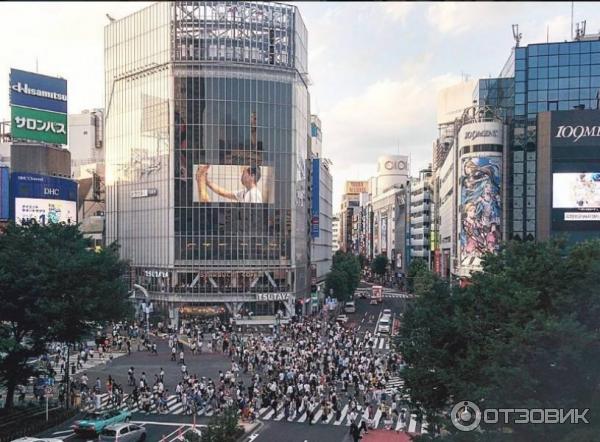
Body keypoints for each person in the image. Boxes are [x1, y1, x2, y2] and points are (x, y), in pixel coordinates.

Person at [196, 164, 264, 203]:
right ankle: (200, 180)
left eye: (244, 172)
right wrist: (207, 182)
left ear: (252, 176)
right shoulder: (245, 192)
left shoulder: (254, 194)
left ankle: (200, 180)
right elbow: (224, 193)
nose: (242, 175)